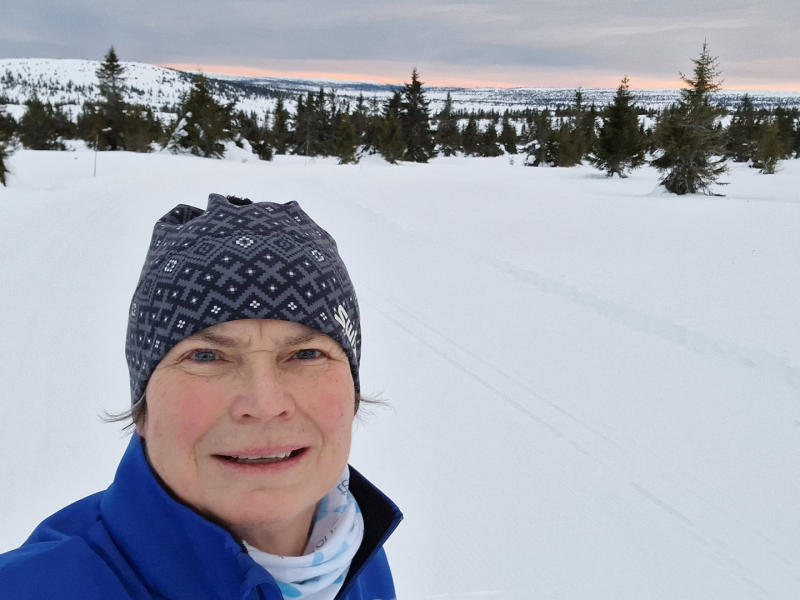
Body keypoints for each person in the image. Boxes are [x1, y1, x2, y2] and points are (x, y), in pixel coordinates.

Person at [0, 194, 403, 600]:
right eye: (207, 356)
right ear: (143, 407)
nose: (264, 405)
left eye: (306, 354)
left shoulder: (354, 554)